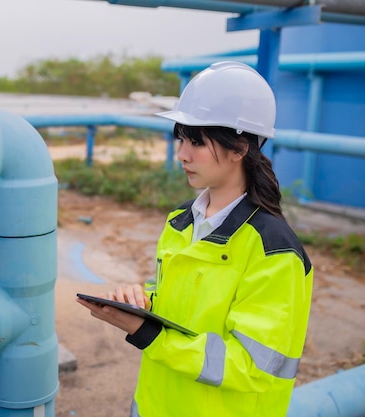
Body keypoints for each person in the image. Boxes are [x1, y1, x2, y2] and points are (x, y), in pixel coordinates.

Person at [76, 61, 314, 417]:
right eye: (182, 139)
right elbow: (184, 306)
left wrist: (147, 333)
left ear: (239, 148)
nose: (183, 154)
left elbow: (250, 366)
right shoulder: (181, 222)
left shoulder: (273, 250)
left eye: (198, 142)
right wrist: (143, 301)